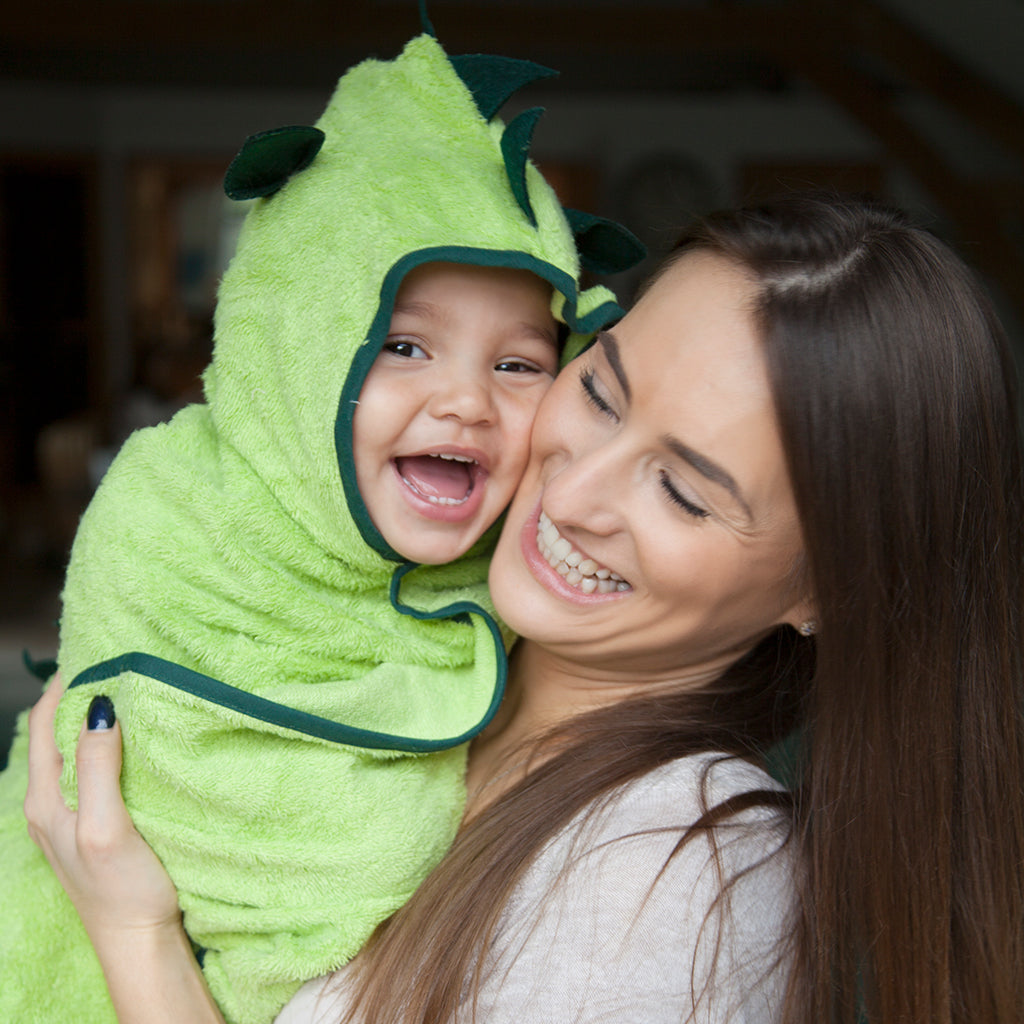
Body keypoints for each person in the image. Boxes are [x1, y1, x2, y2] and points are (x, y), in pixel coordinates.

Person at [27, 192, 1024, 1024]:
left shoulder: (683, 867)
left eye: (681, 491)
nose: (575, 492)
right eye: (601, 392)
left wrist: (134, 935)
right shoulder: (420, 663)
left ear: (825, 590)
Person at [0, 28, 641, 1024]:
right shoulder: (173, 505)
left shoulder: (529, 572)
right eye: (404, 344)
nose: (464, 399)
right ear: (297, 344)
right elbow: (141, 735)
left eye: (517, 364)